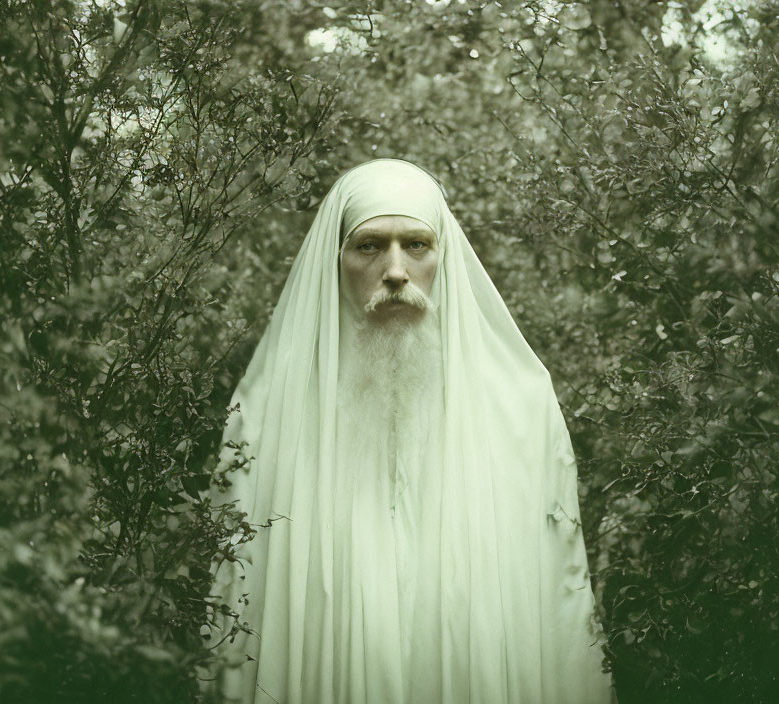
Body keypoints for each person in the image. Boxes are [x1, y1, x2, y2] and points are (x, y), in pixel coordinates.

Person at [203, 159, 616, 704]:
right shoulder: (264, 414)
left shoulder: (520, 405)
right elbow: (239, 604)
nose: (395, 270)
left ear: (442, 257)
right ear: (338, 261)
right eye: (370, 246)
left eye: (416, 245)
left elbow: (558, 606)